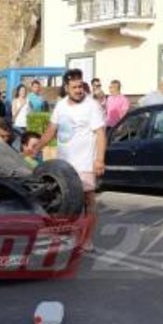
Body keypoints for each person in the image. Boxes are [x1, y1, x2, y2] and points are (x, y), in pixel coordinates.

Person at [33, 68, 105, 251]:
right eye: (74, 87)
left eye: (80, 86)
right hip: (64, 165)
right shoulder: (61, 106)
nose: (79, 90)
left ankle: (87, 240)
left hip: (85, 163)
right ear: (66, 87)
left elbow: (101, 134)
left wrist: (99, 160)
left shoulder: (91, 106)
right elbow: (51, 131)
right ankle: (63, 237)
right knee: (62, 201)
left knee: (88, 201)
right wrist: (36, 148)